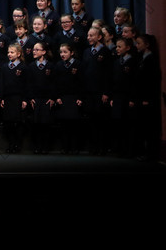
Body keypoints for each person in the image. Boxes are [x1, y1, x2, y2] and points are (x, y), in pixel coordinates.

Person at [81, 26, 113, 154]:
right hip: (89, 92)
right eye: (88, 35)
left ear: (99, 37)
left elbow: (108, 74)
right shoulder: (86, 52)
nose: (89, 38)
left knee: (101, 120)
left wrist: (106, 92)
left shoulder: (105, 52)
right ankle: (92, 147)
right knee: (90, 119)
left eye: (92, 35)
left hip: (100, 92)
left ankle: (102, 147)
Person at [134, 33, 162, 161]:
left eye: (139, 43)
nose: (136, 45)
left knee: (149, 127)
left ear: (147, 44)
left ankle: (151, 153)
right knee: (144, 127)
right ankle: (145, 152)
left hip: (148, 99)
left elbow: (151, 81)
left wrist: (147, 99)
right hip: (142, 97)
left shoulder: (151, 59)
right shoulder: (142, 58)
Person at [53, 41, 84, 154]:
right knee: (64, 124)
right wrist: (57, 97)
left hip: (74, 98)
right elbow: (55, 83)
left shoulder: (78, 64)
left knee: (74, 124)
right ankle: (65, 147)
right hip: (63, 98)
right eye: (61, 52)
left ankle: (74, 147)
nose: (62, 54)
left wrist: (80, 97)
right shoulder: (58, 65)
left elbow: (81, 82)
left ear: (71, 53)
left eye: (65, 52)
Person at [109, 37, 138, 157]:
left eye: (120, 47)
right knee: (117, 123)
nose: (117, 49)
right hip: (117, 97)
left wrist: (132, 98)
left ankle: (129, 150)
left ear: (128, 48)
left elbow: (135, 82)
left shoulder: (133, 62)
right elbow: (113, 81)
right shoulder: (116, 62)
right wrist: (112, 97)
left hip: (127, 97)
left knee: (128, 124)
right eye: (116, 46)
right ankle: (119, 148)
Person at [26, 40, 56, 154]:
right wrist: (31, 97)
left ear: (43, 52)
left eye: (37, 50)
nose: (34, 51)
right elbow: (29, 84)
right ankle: (37, 146)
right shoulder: (31, 66)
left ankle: (45, 146)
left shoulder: (50, 66)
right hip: (36, 99)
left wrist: (52, 97)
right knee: (36, 124)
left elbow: (53, 83)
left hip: (47, 99)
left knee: (46, 124)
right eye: (33, 49)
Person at [0, 43, 28, 154]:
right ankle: (11, 144)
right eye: (8, 52)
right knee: (9, 123)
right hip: (7, 98)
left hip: (18, 98)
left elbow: (26, 84)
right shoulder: (5, 67)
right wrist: (1, 97)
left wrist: (25, 99)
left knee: (18, 123)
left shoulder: (23, 67)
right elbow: (1, 83)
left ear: (18, 53)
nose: (9, 54)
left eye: (12, 52)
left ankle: (18, 145)